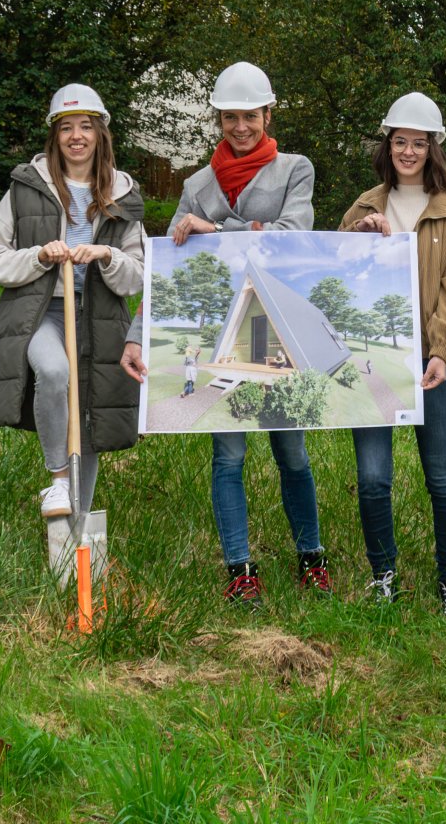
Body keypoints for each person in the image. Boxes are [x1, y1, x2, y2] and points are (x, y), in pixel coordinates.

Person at [169, 62, 326, 603]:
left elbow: (292, 235)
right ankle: (240, 569)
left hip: (280, 330)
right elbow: (173, 264)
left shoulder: (294, 170)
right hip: (225, 329)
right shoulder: (195, 186)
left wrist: (217, 230)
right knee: (229, 457)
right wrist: (141, 334)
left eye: (250, 116)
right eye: (230, 117)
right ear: (219, 118)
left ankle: (312, 558)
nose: (240, 127)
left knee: (292, 454)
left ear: (267, 114)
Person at [0, 85, 148, 520]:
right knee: (54, 372)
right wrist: (38, 256)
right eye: (66, 127)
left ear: (100, 133)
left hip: (98, 316)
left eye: (85, 126)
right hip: (42, 311)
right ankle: (57, 479)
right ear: (54, 135)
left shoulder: (123, 193)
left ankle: (76, 524)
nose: (76, 136)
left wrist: (107, 255)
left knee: (88, 415)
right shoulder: (25, 188)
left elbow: (137, 274)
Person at [340, 92, 446, 614]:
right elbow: (335, 275)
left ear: (432, 149)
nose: (408, 152)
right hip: (372, 361)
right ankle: (383, 576)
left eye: (418, 144)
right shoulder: (363, 207)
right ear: (388, 145)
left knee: (441, 476)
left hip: (431, 363)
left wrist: (441, 352)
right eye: (400, 141)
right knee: (373, 478)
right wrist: (359, 239)